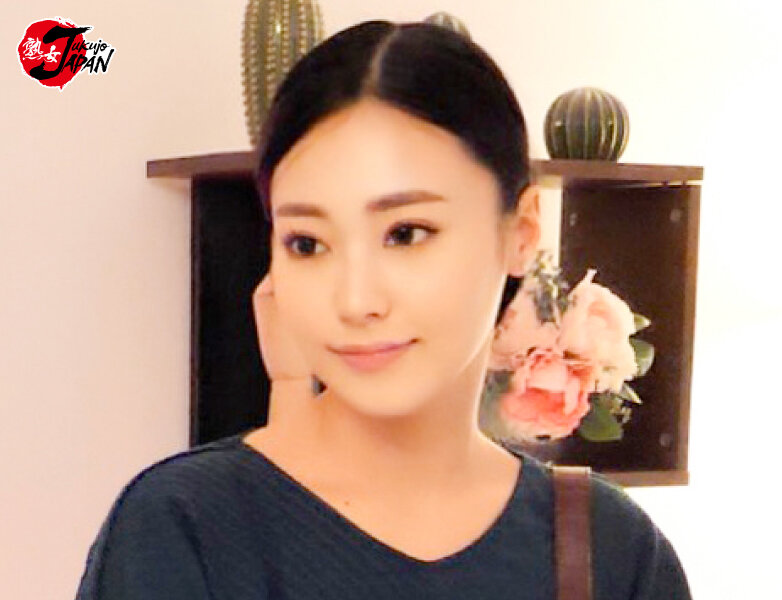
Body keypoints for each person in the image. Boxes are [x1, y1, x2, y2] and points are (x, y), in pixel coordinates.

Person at [74, 19, 693, 599]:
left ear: (522, 232)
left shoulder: (613, 551)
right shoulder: (182, 527)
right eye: (307, 243)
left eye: (406, 233)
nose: (355, 300)